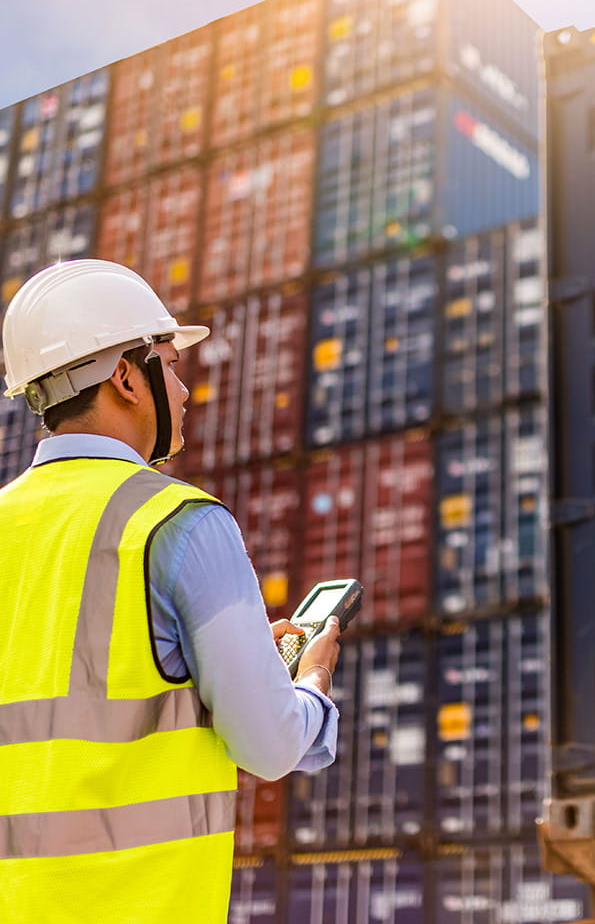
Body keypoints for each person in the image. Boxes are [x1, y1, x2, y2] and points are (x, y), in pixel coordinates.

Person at [0, 259, 342, 922]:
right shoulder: (181, 523)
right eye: (170, 362)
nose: (183, 390)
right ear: (128, 376)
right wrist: (312, 685)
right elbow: (269, 744)